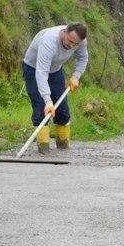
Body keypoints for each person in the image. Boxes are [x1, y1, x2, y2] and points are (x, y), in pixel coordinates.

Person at [22, 23, 89, 154]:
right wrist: (47, 101)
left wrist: (76, 76)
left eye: (75, 44)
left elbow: (83, 58)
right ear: (64, 32)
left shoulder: (80, 41)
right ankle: (43, 149)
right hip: (34, 69)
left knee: (62, 110)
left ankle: (63, 147)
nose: (71, 46)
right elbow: (41, 72)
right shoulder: (49, 41)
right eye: (70, 41)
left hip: (56, 70)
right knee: (41, 109)